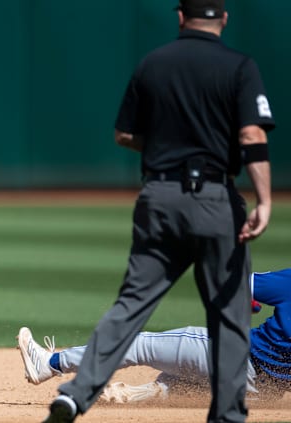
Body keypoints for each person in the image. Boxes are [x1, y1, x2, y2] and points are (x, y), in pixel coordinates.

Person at [39, 1, 274, 422]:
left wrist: (168, 149)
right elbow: (252, 134)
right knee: (229, 312)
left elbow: (124, 133)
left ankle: (76, 395)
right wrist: (265, 199)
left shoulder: (153, 63)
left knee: (130, 305)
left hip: (160, 196)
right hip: (217, 199)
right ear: (223, 18)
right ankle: (227, 415)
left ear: (181, 17)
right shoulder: (240, 66)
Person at [18, 269, 291, 404]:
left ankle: (50, 363)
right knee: (180, 385)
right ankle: (128, 396)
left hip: (234, 357)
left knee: (139, 345)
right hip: (265, 393)